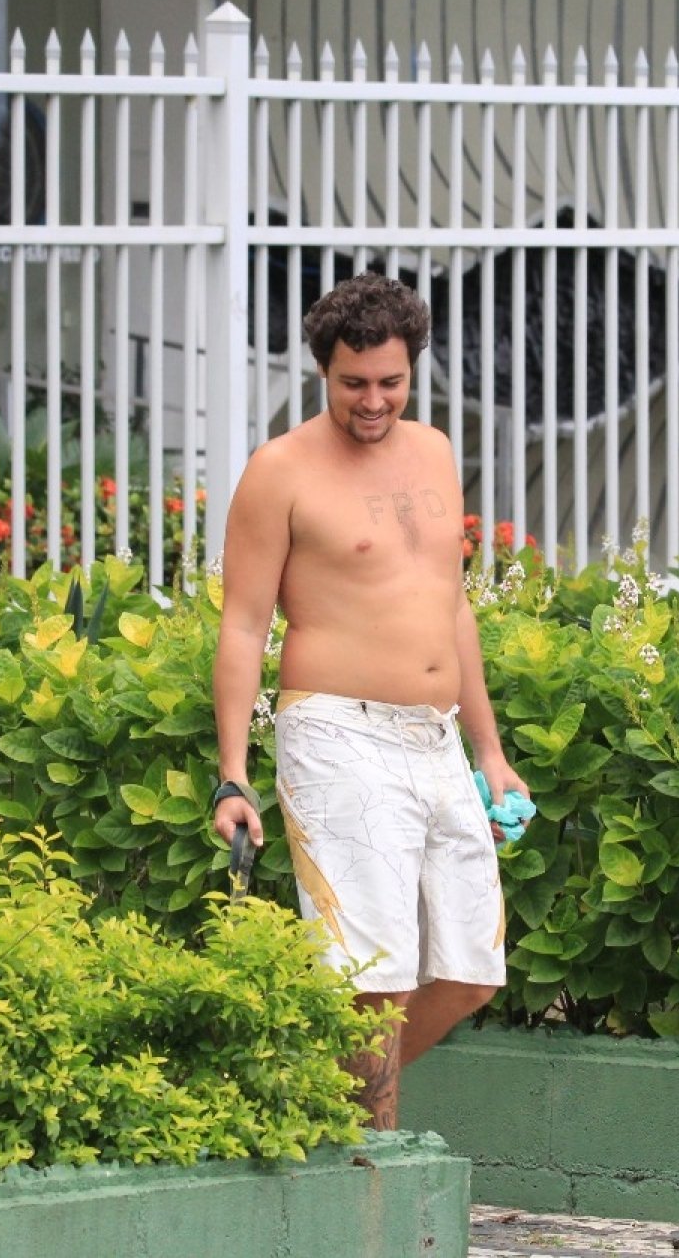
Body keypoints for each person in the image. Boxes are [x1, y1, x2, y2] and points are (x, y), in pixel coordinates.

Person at [210, 272, 529, 1130]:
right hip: (334, 733)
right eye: (354, 383)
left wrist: (490, 751)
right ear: (324, 369)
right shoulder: (279, 471)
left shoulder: (434, 451)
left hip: (436, 736)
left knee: (471, 971)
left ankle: (313, 1096)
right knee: (372, 978)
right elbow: (242, 628)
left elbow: (451, 606)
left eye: (391, 381)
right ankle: (371, 1162)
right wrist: (233, 774)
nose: (374, 400)